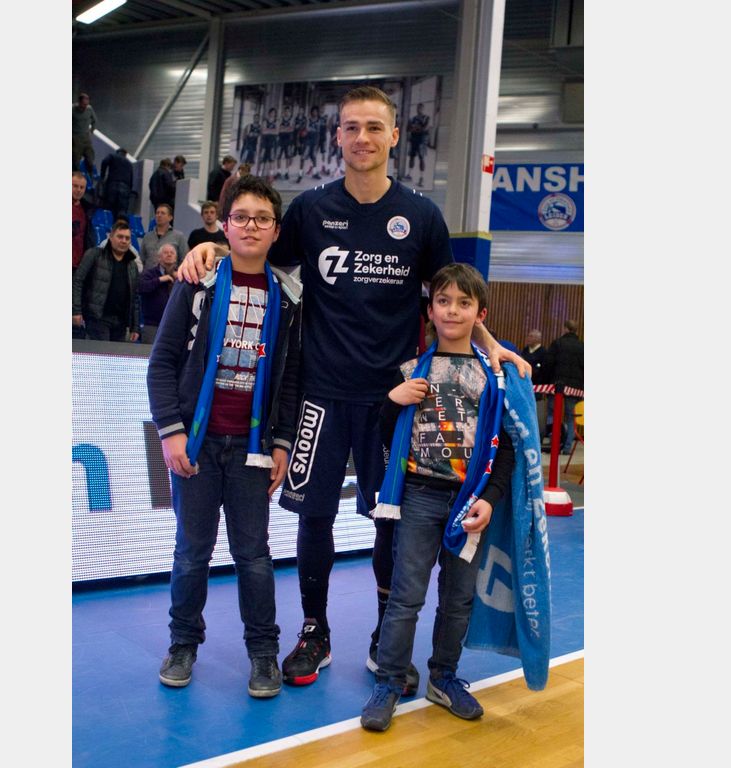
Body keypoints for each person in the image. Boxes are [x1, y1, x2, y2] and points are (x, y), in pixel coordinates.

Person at [177, 86, 528, 693]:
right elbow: (255, 247)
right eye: (351, 127)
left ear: (394, 136)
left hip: (395, 402)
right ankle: (315, 632)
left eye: (373, 127)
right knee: (313, 518)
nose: (362, 137)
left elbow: (452, 293)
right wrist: (212, 244)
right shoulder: (311, 209)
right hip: (319, 393)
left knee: (388, 518)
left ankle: (383, 638)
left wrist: (490, 343)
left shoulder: (422, 216)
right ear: (336, 136)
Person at [147, 175, 303, 699]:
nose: (250, 226)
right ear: (225, 225)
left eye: (262, 218)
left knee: (254, 556)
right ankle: (182, 645)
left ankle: (263, 653)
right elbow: (162, 364)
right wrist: (171, 433)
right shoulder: (198, 284)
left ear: (276, 230)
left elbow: (291, 380)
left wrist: (281, 443)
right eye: (241, 217)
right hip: (198, 446)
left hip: (252, 453)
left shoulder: (290, 299)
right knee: (191, 553)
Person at [360, 263, 515, 732]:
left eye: (464, 303)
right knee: (405, 596)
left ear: (480, 314)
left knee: (458, 599)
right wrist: (392, 402)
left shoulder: (495, 376)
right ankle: (389, 681)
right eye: (443, 301)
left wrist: (490, 497)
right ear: (430, 310)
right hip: (419, 497)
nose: (452, 310)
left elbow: (505, 448)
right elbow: (384, 437)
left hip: (469, 502)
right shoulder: (411, 370)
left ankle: (443, 677)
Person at [73, 219, 143, 342]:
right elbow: (78, 281)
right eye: (120, 237)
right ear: (110, 237)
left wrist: (135, 327)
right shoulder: (94, 255)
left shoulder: (132, 265)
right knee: (99, 353)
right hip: (97, 319)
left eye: (127, 238)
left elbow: (135, 298)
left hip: (121, 323)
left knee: (117, 354)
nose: (124, 241)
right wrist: (76, 310)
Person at [546, 320, 584, 453]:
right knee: (570, 417)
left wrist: (548, 381)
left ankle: (553, 444)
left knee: (552, 414)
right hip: (574, 388)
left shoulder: (557, 343)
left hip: (556, 385)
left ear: (565, 328)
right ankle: (567, 447)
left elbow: (549, 363)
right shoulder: (582, 346)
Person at [137, 243, 178, 344]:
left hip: (173, 326)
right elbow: (141, 288)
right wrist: (160, 280)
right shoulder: (149, 274)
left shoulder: (181, 276)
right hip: (152, 325)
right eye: (165, 252)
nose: (169, 254)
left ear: (176, 258)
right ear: (159, 258)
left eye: (172, 253)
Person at [520, 328, 549, 447]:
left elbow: (544, 371)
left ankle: (537, 438)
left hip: (538, 388)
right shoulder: (525, 351)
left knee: (536, 414)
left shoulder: (543, 353)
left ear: (538, 339)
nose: (528, 338)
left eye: (531, 336)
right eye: (528, 336)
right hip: (524, 386)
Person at [139, 203, 187, 271]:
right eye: (157, 213)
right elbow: (141, 259)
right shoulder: (147, 237)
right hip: (149, 275)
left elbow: (184, 259)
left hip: (170, 275)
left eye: (163, 213)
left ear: (170, 217)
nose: (159, 215)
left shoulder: (179, 237)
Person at [100, 148, 135, 225]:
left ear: (117, 152)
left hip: (112, 186)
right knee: (121, 212)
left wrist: (102, 176)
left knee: (109, 209)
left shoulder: (113, 156)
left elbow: (104, 161)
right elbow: (131, 180)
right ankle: (119, 228)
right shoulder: (129, 164)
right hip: (125, 189)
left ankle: (108, 227)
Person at [72, 171, 98, 272]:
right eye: (75, 186)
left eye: (82, 187)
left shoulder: (87, 210)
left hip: (78, 266)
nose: (78, 190)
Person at [404, 103, 431, 187]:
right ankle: (409, 174)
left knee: (421, 158)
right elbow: (408, 128)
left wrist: (415, 128)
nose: (419, 110)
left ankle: (421, 178)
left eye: (421, 108)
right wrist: (417, 128)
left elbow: (425, 128)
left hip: (421, 141)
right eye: (418, 108)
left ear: (423, 109)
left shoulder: (426, 118)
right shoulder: (413, 118)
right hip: (414, 140)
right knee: (411, 157)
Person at [72, 93, 98, 173]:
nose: (85, 106)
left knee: (90, 159)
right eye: (83, 104)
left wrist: (92, 130)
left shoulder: (89, 109)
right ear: (79, 102)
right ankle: (76, 176)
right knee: (75, 161)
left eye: (86, 104)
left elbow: (94, 120)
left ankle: (90, 176)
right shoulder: (72, 109)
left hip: (86, 138)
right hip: (76, 138)